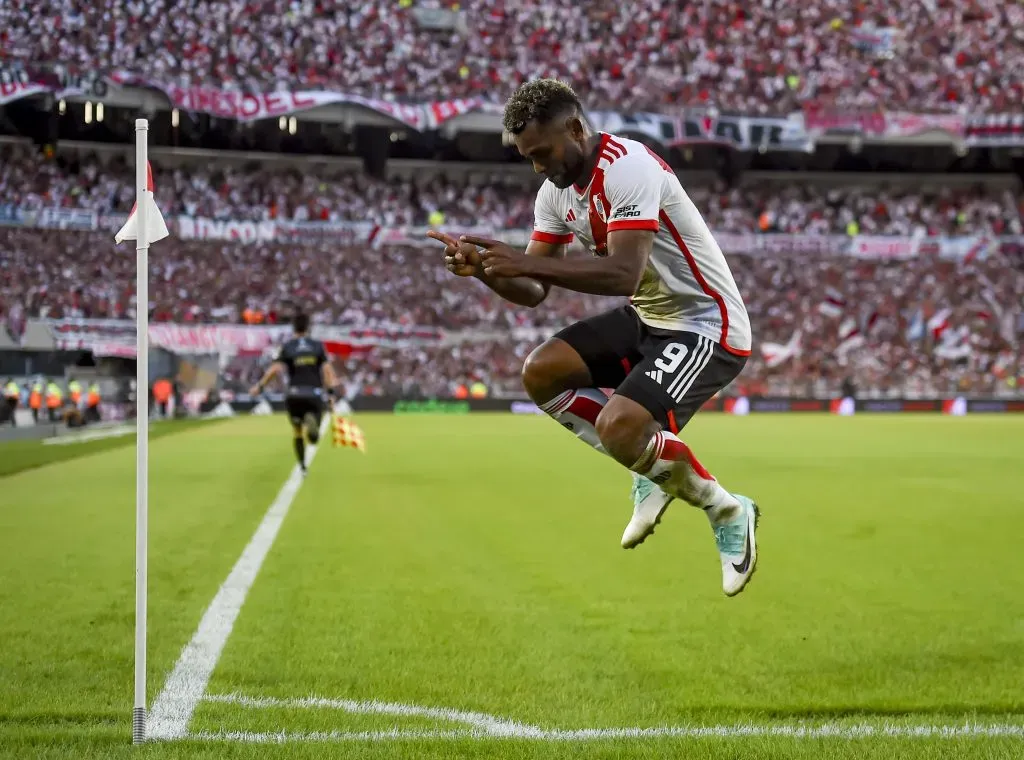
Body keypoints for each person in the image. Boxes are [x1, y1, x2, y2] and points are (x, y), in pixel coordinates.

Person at [428, 79, 759, 596]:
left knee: (620, 426)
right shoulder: (554, 192)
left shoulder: (628, 167)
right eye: (526, 156)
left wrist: (521, 259)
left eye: (542, 151)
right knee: (542, 372)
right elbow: (536, 288)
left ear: (577, 128)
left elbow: (623, 274)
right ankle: (650, 467)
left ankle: (728, 511)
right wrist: (486, 271)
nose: (537, 165)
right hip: (650, 317)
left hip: (705, 324)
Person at [250, 312, 338, 474]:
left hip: (294, 394)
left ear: (294, 328)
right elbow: (327, 371)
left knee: (297, 431)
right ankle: (312, 426)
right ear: (308, 327)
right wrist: (332, 394)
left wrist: (260, 386)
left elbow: (275, 369)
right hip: (314, 393)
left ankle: (303, 466)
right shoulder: (317, 346)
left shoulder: (288, 346)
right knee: (314, 430)